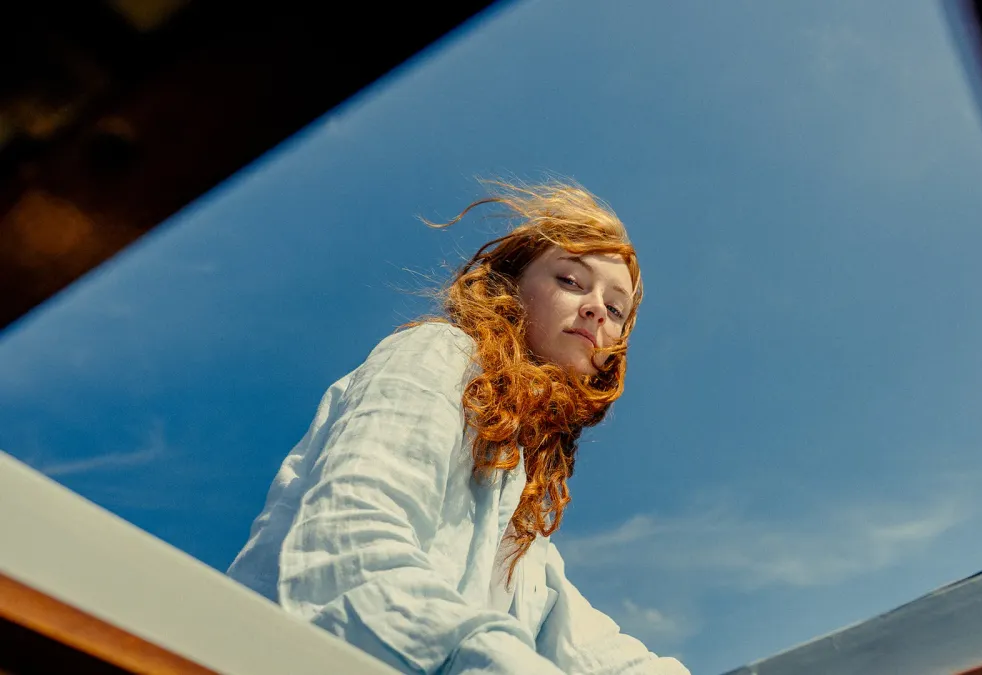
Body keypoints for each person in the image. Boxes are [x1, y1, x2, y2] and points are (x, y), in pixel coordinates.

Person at [226, 180, 689, 674]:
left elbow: (592, 651)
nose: (596, 308)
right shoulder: (441, 354)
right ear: (511, 286)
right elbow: (348, 551)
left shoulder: (522, 515)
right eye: (571, 281)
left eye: (616, 309)